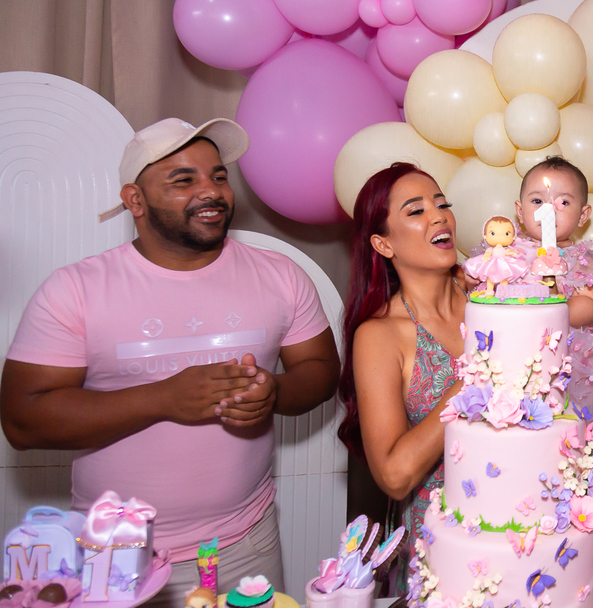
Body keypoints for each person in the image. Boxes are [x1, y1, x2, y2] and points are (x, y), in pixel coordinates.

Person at [0, 118, 340, 607]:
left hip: (246, 545)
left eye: (219, 176)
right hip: (118, 560)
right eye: (184, 179)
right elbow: (21, 420)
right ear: (135, 200)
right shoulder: (75, 290)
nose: (212, 191)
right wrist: (163, 399)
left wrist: (275, 392)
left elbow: (321, 371)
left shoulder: (280, 275)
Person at [336, 163, 465, 588]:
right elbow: (394, 476)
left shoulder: (493, 299)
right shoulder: (380, 335)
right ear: (383, 243)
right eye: (416, 211)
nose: (439, 216)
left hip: (525, 523)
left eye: (442, 204)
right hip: (440, 548)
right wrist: (471, 384)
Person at [513, 156, 593, 466]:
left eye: (563, 203)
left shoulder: (582, 258)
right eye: (538, 201)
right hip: (519, 357)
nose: (549, 210)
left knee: (570, 446)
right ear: (519, 210)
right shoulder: (510, 254)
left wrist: (556, 310)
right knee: (521, 446)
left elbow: (591, 305)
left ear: (583, 216)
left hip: (570, 364)